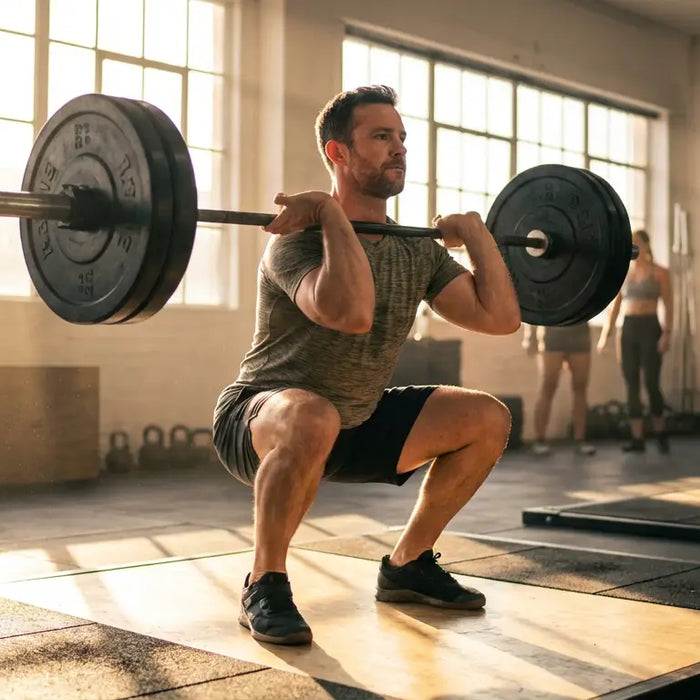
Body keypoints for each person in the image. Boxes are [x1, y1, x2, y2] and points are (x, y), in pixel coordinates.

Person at [213, 85, 521, 646]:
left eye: (401, 138)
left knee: (487, 418)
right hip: (260, 418)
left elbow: (499, 318)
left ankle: (408, 564)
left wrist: (478, 238)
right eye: (381, 137)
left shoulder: (416, 249)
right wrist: (331, 213)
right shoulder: (295, 242)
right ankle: (265, 581)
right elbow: (351, 313)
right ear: (338, 153)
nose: (399, 149)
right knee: (312, 415)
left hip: (354, 419)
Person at [597, 229, 673, 453]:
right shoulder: (624, 273)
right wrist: (605, 337)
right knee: (631, 383)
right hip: (628, 328)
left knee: (651, 381)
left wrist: (667, 333)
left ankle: (660, 432)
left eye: (638, 243)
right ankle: (637, 438)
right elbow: (615, 309)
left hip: (650, 327)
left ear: (647, 246)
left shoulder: (660, 273)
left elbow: (669, 304)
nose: (635, 247)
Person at [522, 323, 596, 456]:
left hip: (580, 335)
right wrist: (530, 336)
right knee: (548, 386)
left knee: (580, 388)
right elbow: (536, 305)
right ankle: (539, 439)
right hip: (553, 335)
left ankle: (580, 439)